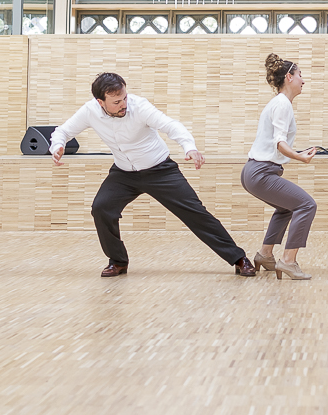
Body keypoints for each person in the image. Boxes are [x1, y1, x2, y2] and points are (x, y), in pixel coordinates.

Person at [50, 72, 258, 278]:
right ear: (100, 102)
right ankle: (118, 261)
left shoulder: (139, 106)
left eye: (124, 98)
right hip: (123, 173)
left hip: (160, 170)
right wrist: (58, 146)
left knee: (195, 212)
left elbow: (170, 125)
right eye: (116, 102)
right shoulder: (89, 111)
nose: (123, 104)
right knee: (101, 208)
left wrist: (189, 147)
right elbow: (63, 131)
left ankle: (239, 259)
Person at [243, 55, 320, 280]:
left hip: (253, 172)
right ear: (289, 77)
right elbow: (279, 142)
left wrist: (297, 153)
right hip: (261, 173)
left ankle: (265, 255)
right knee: (307, 205)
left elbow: (277, 144)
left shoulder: (279, 103)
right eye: (300, 75)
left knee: (286, 208)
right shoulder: (282, 104)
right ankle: (288, 261)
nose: (303, 80)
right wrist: (299, 157)